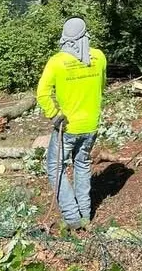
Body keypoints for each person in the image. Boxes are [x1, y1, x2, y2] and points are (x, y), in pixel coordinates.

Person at [36, 17, 107, 228]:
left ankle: (72, 216)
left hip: (68, 127)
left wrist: (55, 115)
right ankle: (85, 214)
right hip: (91, 125)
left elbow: (42, 94)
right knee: (82, 164)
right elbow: (101, 87)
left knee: (54, 167)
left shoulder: (57, 61)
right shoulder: (99, 57)